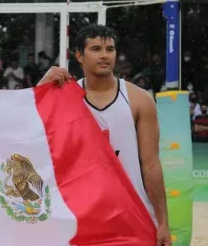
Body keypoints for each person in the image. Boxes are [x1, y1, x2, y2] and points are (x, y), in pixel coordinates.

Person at [37, 25, 172, 246]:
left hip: (131, 213)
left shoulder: (140, 100)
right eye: (96, 49)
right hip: (81, 214)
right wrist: (42, 85)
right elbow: (29, 133)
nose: (104, 55)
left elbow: (151, 165)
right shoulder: (65, 98)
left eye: (110, 49)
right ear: (79, 55)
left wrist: (164, 222)